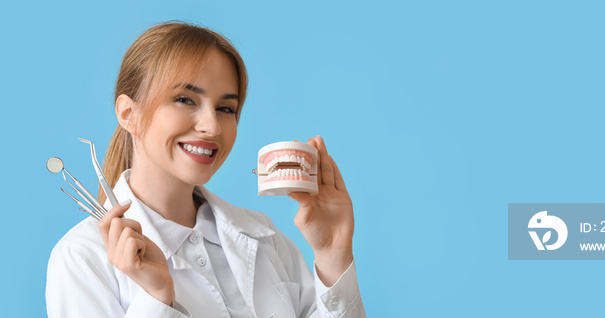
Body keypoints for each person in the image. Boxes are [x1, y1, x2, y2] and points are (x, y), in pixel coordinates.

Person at [46, 21, 365, 318]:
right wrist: (157, 298)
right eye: (185, 99)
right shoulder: (82, 258)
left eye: (226, 108)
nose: (212, 127)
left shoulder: (266, 238)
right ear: (129, 113)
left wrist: (333, 254)